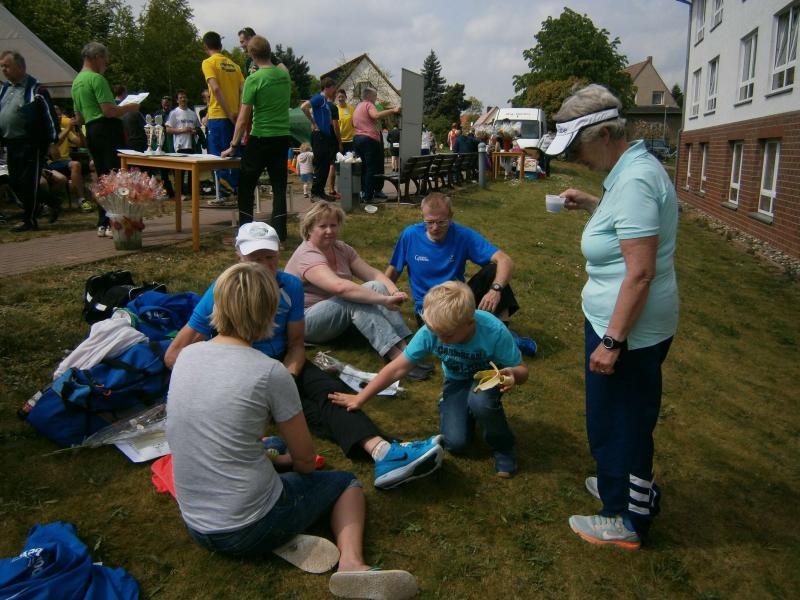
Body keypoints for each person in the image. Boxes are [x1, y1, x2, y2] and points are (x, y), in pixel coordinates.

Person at [167, 261, 419, 599]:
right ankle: (351, 565)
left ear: (217, 304)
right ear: (270, 311)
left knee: (270, 444)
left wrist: (276, 459)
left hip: (197, 525)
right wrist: (289, 462)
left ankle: (276, 536)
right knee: (346, 484)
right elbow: (305, 462)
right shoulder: (271, 372)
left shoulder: (186, 355)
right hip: (245, 525)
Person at [165, 221, 443, 490]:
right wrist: (223, 387)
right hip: (242, 369)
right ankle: (388, 449)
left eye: (270, 257)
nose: (263, 265)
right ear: (238, 255)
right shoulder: (225, 289)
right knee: (304, 409)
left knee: (332, 393)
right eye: (255, 258)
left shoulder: (289, 286)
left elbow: (297, 343)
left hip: (282, 362)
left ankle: (383, 450)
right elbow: (175, 354)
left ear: (279, 253)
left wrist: (289, 375)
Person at [544, 84, 679, 550]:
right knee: (615, 417)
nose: (575, 158)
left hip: (628, 331)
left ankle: (625, 517)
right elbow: (630, 229)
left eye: (577, 148)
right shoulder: (630, 172)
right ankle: (617, 480)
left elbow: (639, 273)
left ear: (604, 135)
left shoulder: (636, 179)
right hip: (621, 323)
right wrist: (592, 204)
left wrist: (613, 341)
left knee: (622, 422)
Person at [330, 281, 528, 478]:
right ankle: (452, 404)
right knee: (456, 444)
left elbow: (522, 371)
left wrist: (512, 374)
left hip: (488, 379)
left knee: (481, 403)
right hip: (456, 381)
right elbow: (396, 369)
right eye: (435, 333)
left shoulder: (493, 330)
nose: (440, 339)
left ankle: (503, 447)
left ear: (470, 323)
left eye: (447, 335)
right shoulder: (432, 332)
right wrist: (360, 398)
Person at [285, 202, 432, 380]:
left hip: (333, 315)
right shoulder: (307, 255)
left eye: (333, 225)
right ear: (309, 229)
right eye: (322, 226)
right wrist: (383, 300)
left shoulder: (341, 248)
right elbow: (339, 287)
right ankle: (395, 357)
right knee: (353, 298)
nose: (329, 231)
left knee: (376, 286)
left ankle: (406, 349)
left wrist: (393, 292)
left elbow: (373, 274)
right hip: (304, 322)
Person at [386, 192, 535, 355]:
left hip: (458, 300)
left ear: (451, 216)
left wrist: (495, 290)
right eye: (429, 222)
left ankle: (504, 334)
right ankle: (498, 339)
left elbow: (504, 260)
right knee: (457, 335)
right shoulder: (410, 235)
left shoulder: (462, 235)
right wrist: (380, 295)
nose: (435, 227)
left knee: (494, 270)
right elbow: (394, 270)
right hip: (429, 309)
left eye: (441, 222)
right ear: (422, 216)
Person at [221, 36, 290, 238]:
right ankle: (280, 235)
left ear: (251, 55)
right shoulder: (284, 76)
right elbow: (281, 66)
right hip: (282, 137)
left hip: (260, 137)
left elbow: (243, 119)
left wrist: (233, 145)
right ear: (270, 52)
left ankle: (245, 231)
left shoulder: (253, 79)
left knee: (246, 186)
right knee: (279, 187)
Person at [71, 41, 140, 237]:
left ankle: (102, 222)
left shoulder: (76, 82)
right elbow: (109, 111)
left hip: (91, 131)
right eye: (105, 59)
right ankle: (114, 223)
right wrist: (130, 107)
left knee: (102, 178)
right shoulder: (97, 79)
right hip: (108, 130)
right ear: (97, 57)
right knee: (114, 176)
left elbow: (79, 118)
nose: (106, 64)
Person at [0, 50, 61, 232]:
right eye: (2, 66)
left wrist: (53, 142)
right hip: (11, 143)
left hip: (31, 143)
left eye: (6, 66)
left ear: (20, 67)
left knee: (28, 182)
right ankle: (52, 201)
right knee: (15, 181)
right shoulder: (5, 89)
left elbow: (50, 118)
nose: (3, 70)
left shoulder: (36, 90)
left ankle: (30, 219)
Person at [201, 31, 244, 195]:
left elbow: (216, 88)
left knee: (217, 157)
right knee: (234, 155)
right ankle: (236, 190)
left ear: (205, 46)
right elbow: (243, 90)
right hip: (235, 118)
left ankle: (224, 192)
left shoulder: (208, 63)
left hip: (219, 116)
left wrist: (228, 112)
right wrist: (238, 113)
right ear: (221, 45)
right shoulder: (235, 65)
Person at [351, 86, 399, 203]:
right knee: (370, 168)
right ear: (369, 96)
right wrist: (393, 110)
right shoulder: (369, 104)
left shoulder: (358, 107)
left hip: (357, 138)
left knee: (362, 168)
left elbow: (353, 123)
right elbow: (375, 115)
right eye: (375, 96)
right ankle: (368, 196)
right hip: (369, 139)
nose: (376, 98)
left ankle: (363, 192)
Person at [48, 104, 91, 212]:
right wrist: (68, 128)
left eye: (60, 116)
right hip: (50, 163)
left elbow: (82, 144)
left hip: (65, 162)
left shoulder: (64, 129)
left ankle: (81, 200)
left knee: (78, 165)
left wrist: (79, 129)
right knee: (75, 164)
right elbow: (56, 142)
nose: (59, 118)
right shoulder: (48, 131)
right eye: (56, 116)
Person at [300, 77, 337, 201]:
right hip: (318, 136)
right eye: (333, 88)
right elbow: (304, 107)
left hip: (325, 136)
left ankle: (320, 192)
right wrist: (313, 122)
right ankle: (315, 193)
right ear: (327, 88)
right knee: (320, 165)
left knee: (325, 165)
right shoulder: (319, 98)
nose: (334, 91)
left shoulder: (325, 101)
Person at [166, 89, 201, 197]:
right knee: (179, 172)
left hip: (191, 145)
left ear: (187, 99)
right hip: (179, 145)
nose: (183, 99)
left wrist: (194, 131)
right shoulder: (174, 113)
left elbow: (198, 128)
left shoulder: (192, 113)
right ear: (177, 100)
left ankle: (191, 192)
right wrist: (182, 130)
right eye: (180, 98)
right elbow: (168, 129)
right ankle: (180, 193)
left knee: (192, 171)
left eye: (184, 97)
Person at [336, 89, 355, 153]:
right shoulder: (335, 109)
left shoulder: (351, 108)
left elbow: (355, 123)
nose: (341, 99)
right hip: (340, 141)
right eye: (339, 97)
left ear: (346, 97)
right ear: (337, 98)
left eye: (342, 97)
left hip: (351, 140)